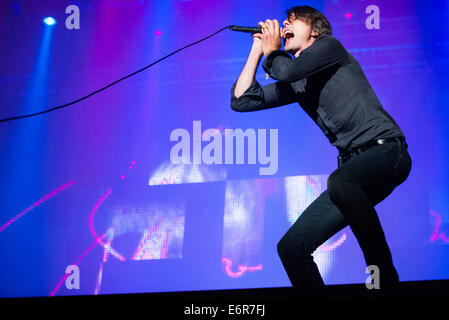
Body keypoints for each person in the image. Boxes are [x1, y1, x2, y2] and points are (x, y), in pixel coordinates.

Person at [230, 5, 412, 290]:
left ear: (314, 30)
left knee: (340, 181)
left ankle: (383, 277)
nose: (285, 24)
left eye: (292, 21)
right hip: (351, 175)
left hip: (386, 153)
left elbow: (286, 70)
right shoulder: (297, 80)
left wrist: (272, 50)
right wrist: (258, 47)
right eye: (284, 21)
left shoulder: (330, 46)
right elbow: (242, 100)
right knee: (291, 248)